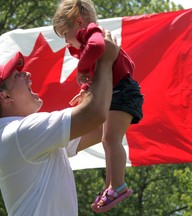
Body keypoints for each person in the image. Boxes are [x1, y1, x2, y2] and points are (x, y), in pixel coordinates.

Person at [0, 33, 119, 215]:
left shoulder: (20, 136)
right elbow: (95, 115)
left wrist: (102, 88)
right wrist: (105, 62)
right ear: (5, 97)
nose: (26, 74)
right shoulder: (20, 132)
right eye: (17, 76)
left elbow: (100, 127)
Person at [52, 0, 144, 213]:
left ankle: (118, 185)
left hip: (122, 91)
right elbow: (100, 72)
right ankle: (111, 186)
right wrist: (86, 89)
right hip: (117, 91)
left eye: (65, 33)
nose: (66, 40)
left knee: (111, 139)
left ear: (78, 22)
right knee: (107, 139)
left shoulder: (92, 33)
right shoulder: (87, 39)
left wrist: (80, 69)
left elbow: (97, 47)